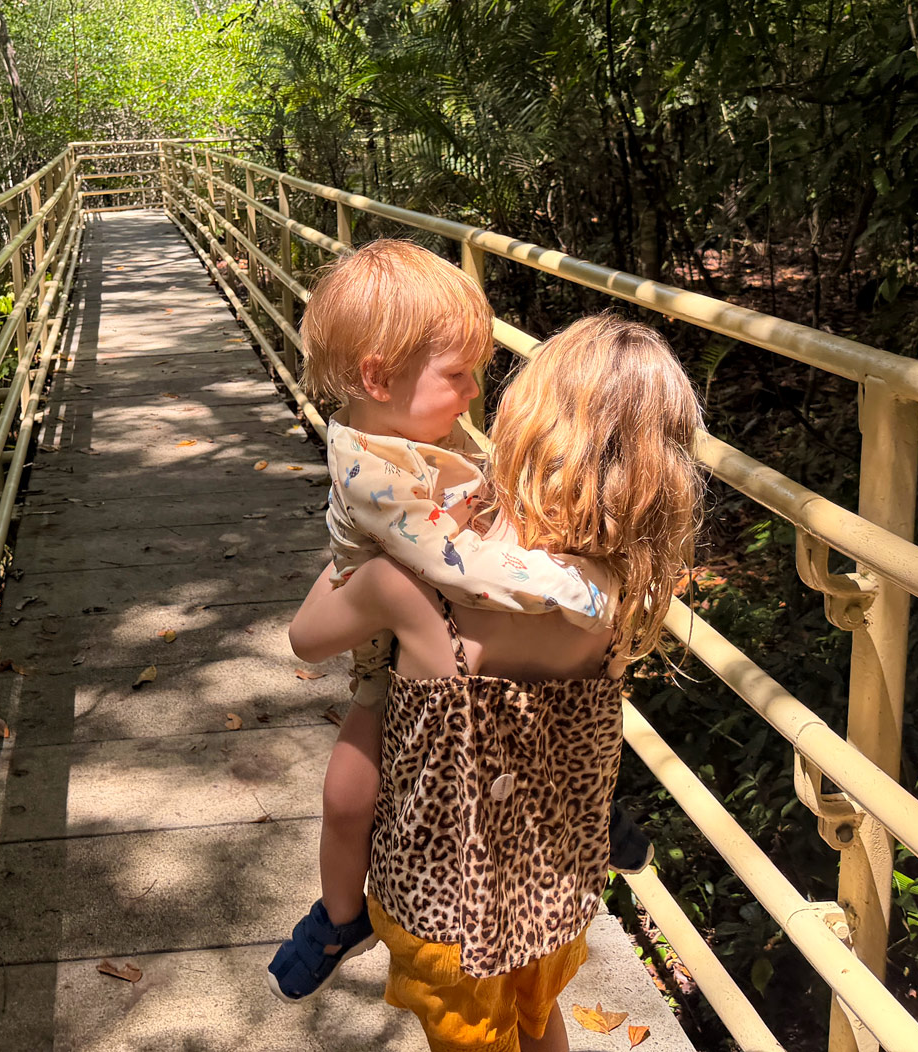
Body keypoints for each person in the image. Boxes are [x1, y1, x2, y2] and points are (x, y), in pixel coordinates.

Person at [286, 314, 704, 1050]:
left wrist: (369, 529)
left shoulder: (407, 583)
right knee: (541, 1022)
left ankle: (334, 922)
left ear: (526, 429)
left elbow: (307, 637)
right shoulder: (618, 598)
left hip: (444, 905)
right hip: (553, 892)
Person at [267, 241, 619, 1002]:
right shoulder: (368, 467)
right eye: (458, 375)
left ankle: (593, 821)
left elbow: (476, 504)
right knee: (347, 793)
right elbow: (456, 564)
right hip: (384, 653)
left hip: (438, 639)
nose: (473, 391)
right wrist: (569, 586)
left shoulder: (420, 424)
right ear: (377, 376)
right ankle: (338, 915)